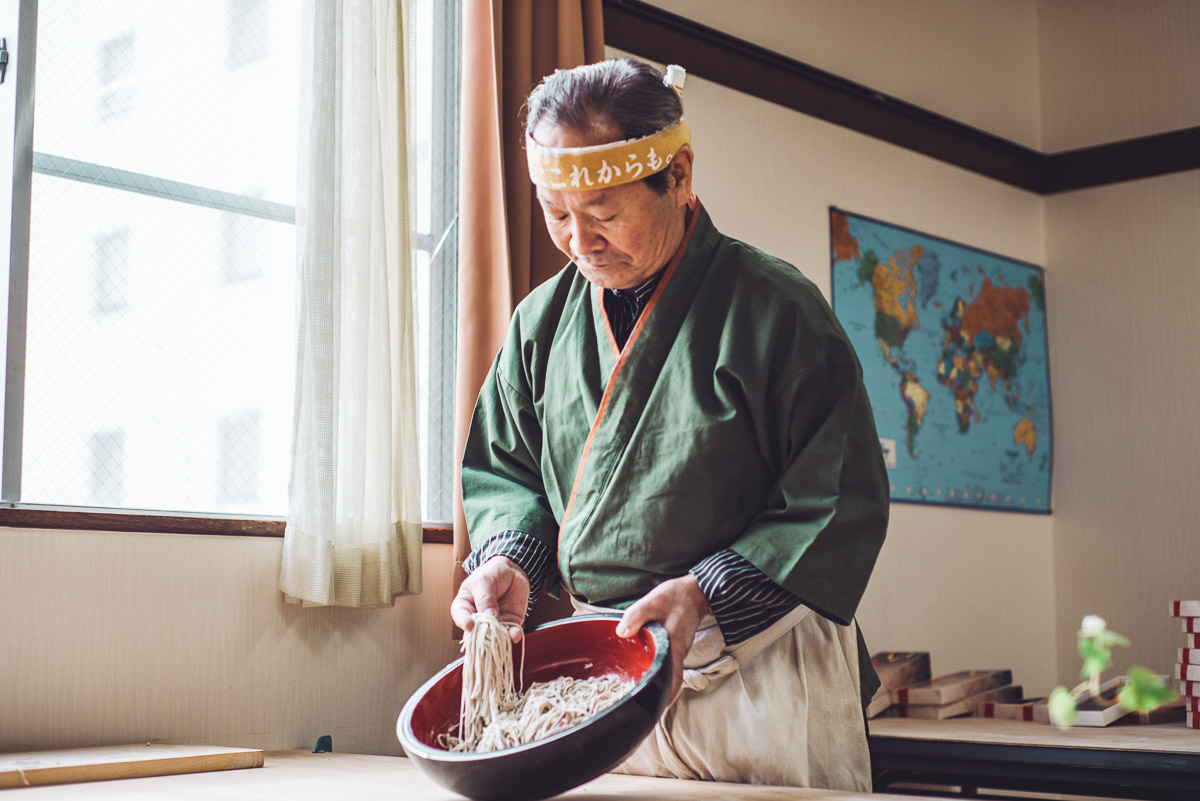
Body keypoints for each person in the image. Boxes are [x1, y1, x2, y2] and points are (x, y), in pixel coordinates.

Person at [450, 57, 888, 791]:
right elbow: (508, 468)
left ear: (679, 175)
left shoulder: (775, 307)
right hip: (609, 671)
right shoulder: (541, 324)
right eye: (557, 213)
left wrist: (707, 592)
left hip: (758, 670)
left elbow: (836, 496)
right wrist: (510, 560)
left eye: (604, 213)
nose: (578, 242)